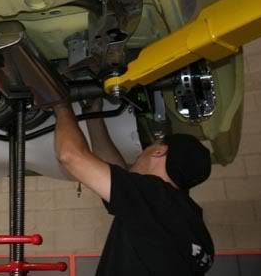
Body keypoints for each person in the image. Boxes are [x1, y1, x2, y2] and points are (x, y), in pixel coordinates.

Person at [53, 98, 214, 275]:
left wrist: (60, 104)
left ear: (159, 151)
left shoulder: (156, 198)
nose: (140, 155)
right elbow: (117, 177)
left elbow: (70, 156)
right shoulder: (192, 226)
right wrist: (93, 115)